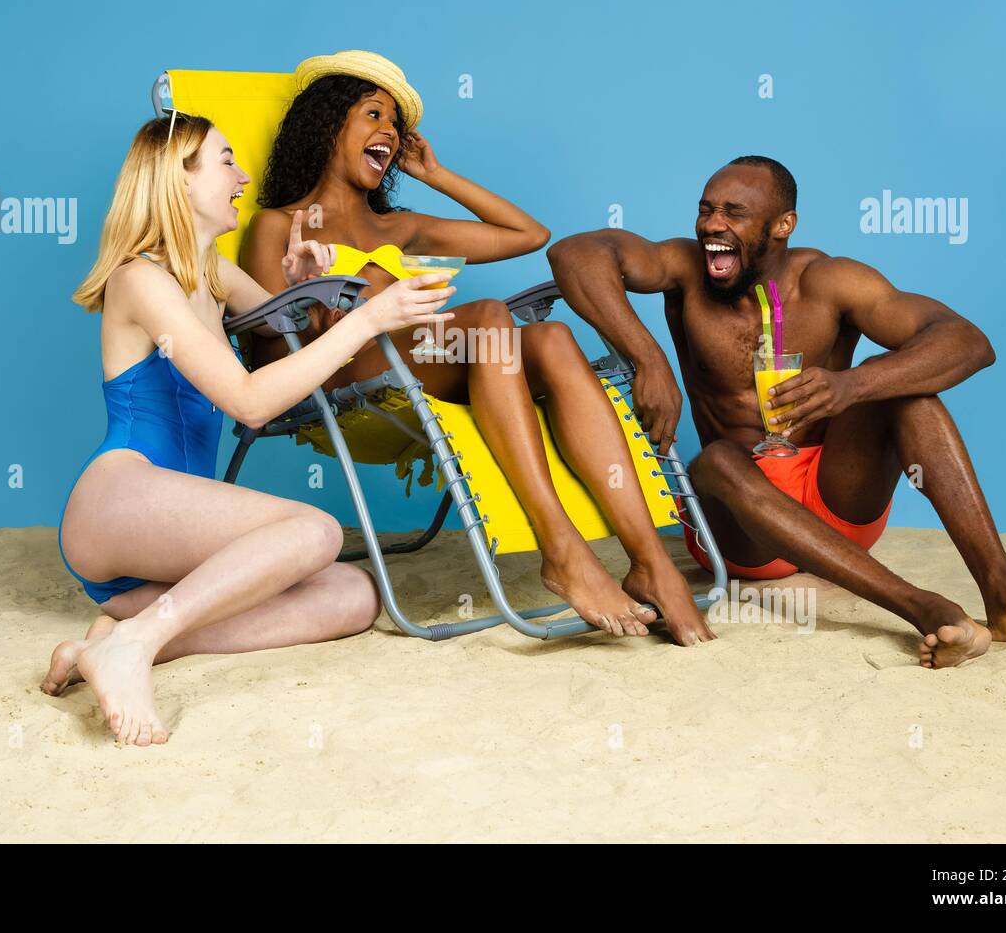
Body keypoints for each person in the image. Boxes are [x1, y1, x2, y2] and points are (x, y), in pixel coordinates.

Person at [547, 154, 1006, 667]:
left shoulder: (831, 281)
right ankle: (921, 606)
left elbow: (968, 342)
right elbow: (574, 253)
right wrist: (648, 358)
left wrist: (853, 385)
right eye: (706, 210)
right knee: (715, 459)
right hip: (742, 532)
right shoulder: (685, 267)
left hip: (838, 502)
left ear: (782, 225)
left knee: (908, 396)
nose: (713, 225)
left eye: (734, 214)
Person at [244, 50, 713, 643]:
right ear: (329, 124)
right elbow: (263, 333)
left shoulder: (400, 227)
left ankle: (651, 562)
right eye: (372, 114)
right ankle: (561, 547)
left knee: (550, 337)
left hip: (426, 364)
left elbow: (529, 235)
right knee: (491, 315)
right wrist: (304, 285)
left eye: (395, 123)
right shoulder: (277, 224)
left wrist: (434, 176)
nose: (388, 131)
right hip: (343, 381)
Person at [42, 111, 455, 746]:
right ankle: (139, 644)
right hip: (118, 502)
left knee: (354, 595)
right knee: (315, 531)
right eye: (226, 161)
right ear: (178, 181)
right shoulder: (141, 279)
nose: (244, 176)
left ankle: (119, 634)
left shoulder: (213, 272)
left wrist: (299, 289)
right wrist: (369, 320)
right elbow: (250, 401)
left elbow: (279, 336)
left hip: (176, 539)